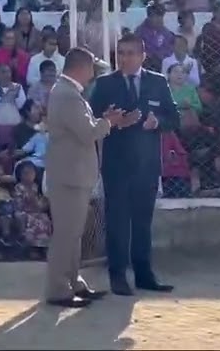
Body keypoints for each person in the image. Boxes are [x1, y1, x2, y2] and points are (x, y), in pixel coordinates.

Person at [88, 33, 179, 296]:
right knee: (117, 221)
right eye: (121, 53)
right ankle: (117, 274)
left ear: (142, 56)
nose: (125, 58)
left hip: (147, 164)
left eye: (130, 53)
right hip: (117, 164)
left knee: (142, 221)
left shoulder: (158, 82)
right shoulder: (105, 84)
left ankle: (144, 274)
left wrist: (157, 123)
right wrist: (112, 121)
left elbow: (174, 117)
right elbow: (92, 117)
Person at [43, 46, 133, 308]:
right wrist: (110, 122)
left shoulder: (68, 92)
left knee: (73, 234)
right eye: (91, 67)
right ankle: (59, 289)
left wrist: (104, 120)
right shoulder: (68, 94)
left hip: (72, 173)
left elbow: (83, 128)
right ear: (81, 68)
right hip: (70, 175)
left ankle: (72, 283)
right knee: (66, 235)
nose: (93, 72)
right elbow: (87, 132)